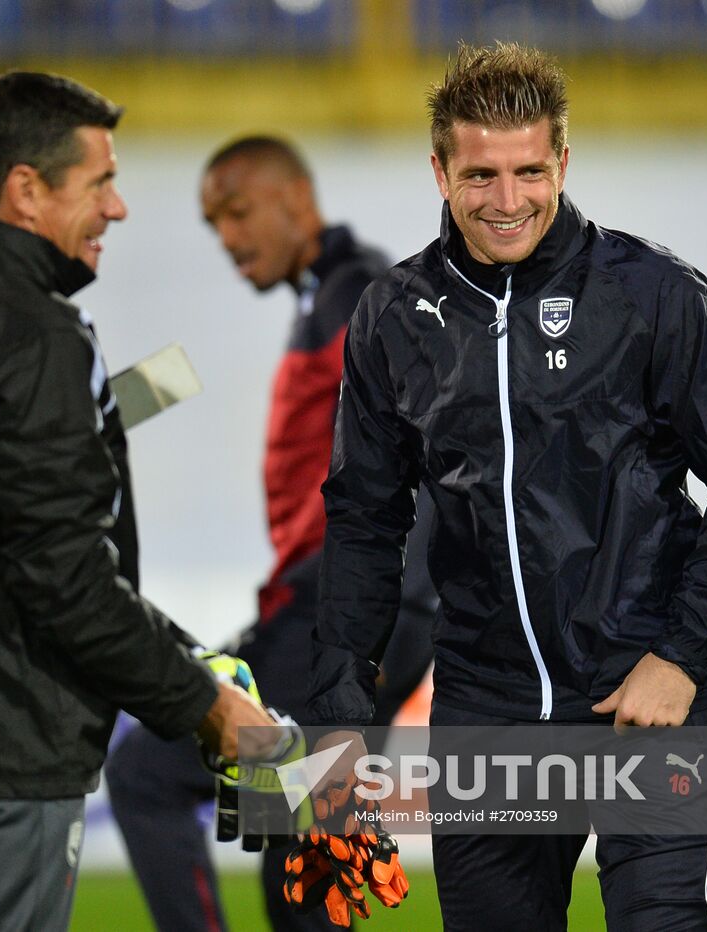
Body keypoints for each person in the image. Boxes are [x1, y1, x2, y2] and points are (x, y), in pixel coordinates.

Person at [308, 42, 707, 931]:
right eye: (480, 175)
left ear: (563, 162)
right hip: (486, 712)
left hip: (645, 698)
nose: (507, 201)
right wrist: (339, 716)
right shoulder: (391, 316)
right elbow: (366, 522)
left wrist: (682, 656)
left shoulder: (652, 294)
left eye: (531, 171)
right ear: (439, 171)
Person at [0, 71, 275, 932]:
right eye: (101, 183)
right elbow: (67, 580)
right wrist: (206, 704)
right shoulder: (32, 337)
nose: (117, 209)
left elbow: (0, 553)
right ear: (27, 191)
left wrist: (186, 663)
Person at [104, 136, 437, 931]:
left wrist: (397, 615)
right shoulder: (327, 296)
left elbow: (440, 450)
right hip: (335, 611)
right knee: (300, 861)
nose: (226, 238)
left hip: (337, 616)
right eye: (213, 223)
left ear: (294, 198)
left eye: (238, 212)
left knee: (149, 776)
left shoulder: (362, 293)